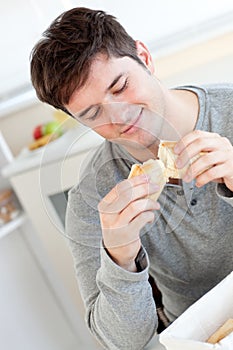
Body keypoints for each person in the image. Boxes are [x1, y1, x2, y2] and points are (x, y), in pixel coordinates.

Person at [30, 7, 233, 350]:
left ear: (144, 57)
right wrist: (120, 257)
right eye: (93, 113)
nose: (120, 117)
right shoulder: (92, 198)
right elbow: (124, 343)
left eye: (121, 86)